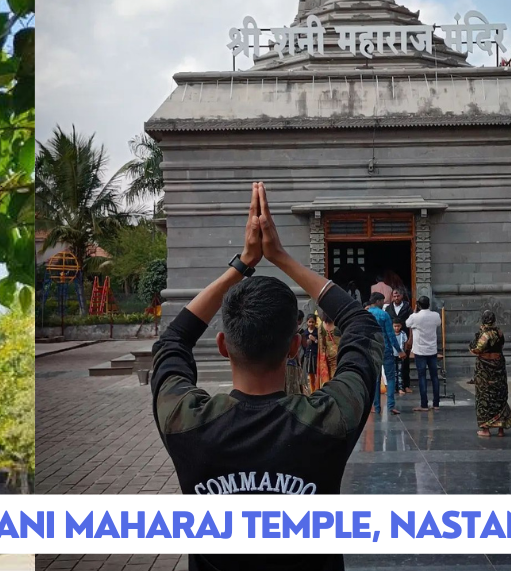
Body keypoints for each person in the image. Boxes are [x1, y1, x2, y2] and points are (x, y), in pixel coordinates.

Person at [150, 182, 380, 571]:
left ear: (223, 345)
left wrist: (241, 265)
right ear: (294, 347)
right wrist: (281, 257)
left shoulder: (186, 422)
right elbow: (360, 323)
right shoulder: (329, 420)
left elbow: (172, 340)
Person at [471, 310, 511, 436]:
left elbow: (477, 349)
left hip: (485, 370)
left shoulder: (485, 334)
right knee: (499, 395)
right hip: (498, 367)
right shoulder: (499, 332)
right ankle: (501, 429)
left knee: (485, 396)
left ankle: (485, 429)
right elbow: (501, 346)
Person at [406, 296, 442, 411]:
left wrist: (414, 311)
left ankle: (424, 404)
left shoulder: (415, 317)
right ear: (429, 304)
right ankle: (436, 403)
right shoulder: (435, 315)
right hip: (432, 349)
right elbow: (438, 324)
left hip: (420, 351)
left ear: (418, 305)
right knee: (434, 377)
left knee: (422, 377)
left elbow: (407, 324)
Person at [367, 292, 400, 415]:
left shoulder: (366, 314)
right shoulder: (384, 315)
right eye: (382, 301)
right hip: (385, 348)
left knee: (375, 379)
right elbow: (390, 335)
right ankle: (391, 406)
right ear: (378, 301)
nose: (383, 304)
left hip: (372, 349)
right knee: (390, 377)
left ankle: (376, 406)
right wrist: (399, 350)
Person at [386, 290, 413, 393]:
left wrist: (410, 338)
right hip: (392, 339)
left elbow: (411, 324)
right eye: (394, 296)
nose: (396, 298)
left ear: (401, 296)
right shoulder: (389, 309)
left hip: (403, 338)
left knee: (405, 363)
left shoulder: (407, 308)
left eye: (398, 295)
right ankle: (395, 386)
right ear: (392, 297)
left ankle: (406, 385)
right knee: (392, 365)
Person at [284, 311, 306, 395]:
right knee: (293, 383)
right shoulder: (299, 332)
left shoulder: (286, 330)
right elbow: (302, 345)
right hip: (293, 360)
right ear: (300, 320)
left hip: (285, 361)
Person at [303, 313, 325, 391]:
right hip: (308, 355)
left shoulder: (317, 331)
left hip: (316, 355)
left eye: (313, 322)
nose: (311, 324)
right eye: (310, 322)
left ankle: (318, 390)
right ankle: (312, 391)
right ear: (307, 322)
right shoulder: (305, 332)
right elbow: (303, 345)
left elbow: (321, 343)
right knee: (310, 374)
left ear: (315, 322)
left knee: (317, 374)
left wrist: (314, 340)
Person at [391, 317, 410, 396]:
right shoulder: (391, 334)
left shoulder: (403, 334)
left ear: (401, 326)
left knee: (400, 372)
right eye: (395, 326)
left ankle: (400, 388)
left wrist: (404, 352)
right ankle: (394, 388)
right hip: (392, 355)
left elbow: (405, 343)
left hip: (400, 356)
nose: (396, 328)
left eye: (398, 326)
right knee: (393, 372)